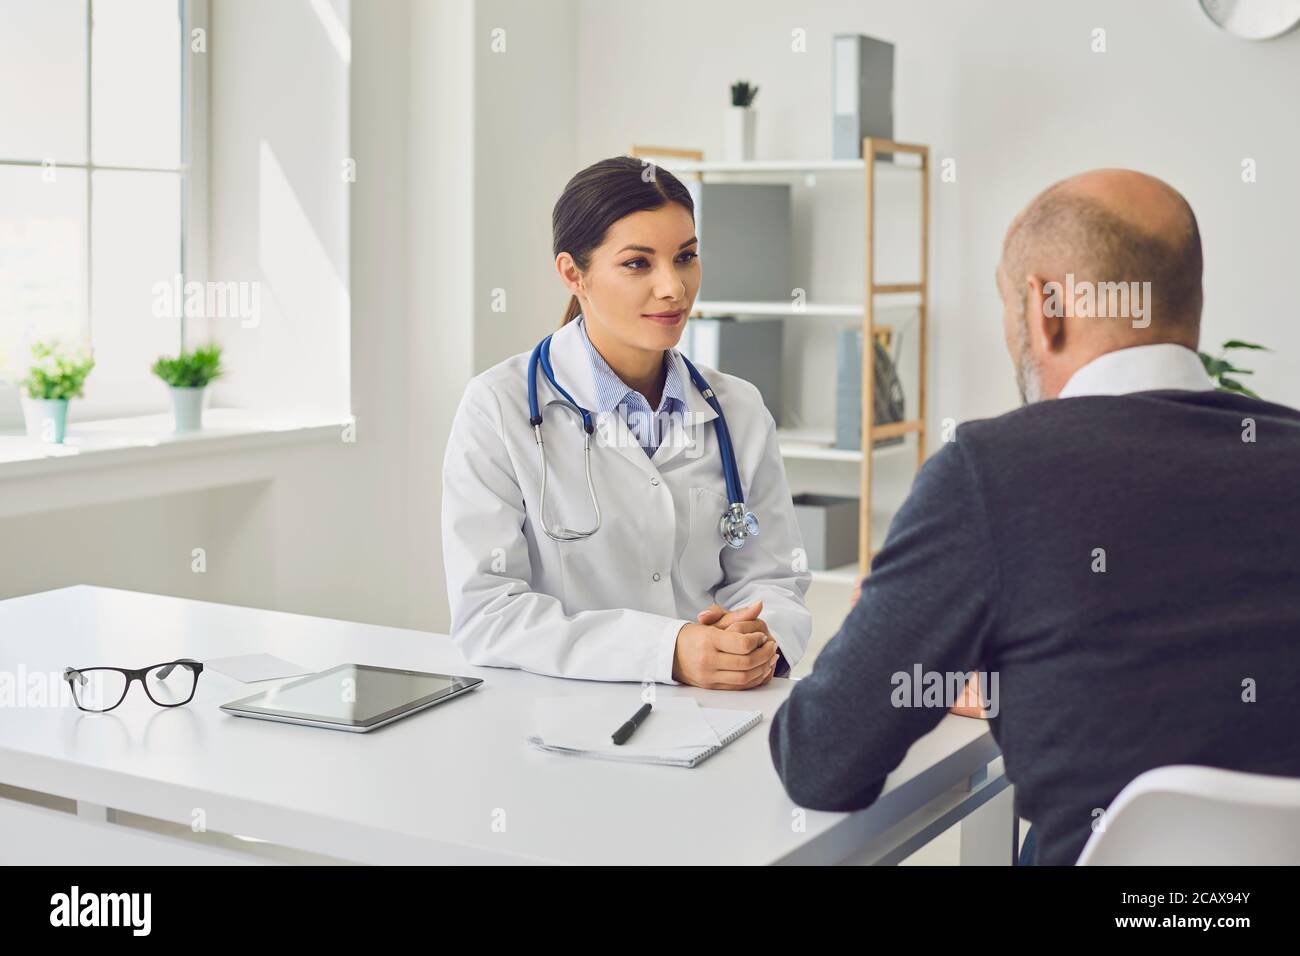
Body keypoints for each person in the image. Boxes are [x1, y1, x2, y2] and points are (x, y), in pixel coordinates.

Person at [769, 168, 1300, 865]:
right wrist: (1018, 674)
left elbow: (821, 759)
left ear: (1046, 306)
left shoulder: (990, 473)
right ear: (1189, 304)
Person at [442, 156, 811, 689]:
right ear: (574, 273)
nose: (673, 288)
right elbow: (488, 613)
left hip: (719, 709)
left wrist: (755, 639)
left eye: (686, 257)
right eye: (639, 263)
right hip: (561, 715)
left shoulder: (738, 410)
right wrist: (668, 651)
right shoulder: (497, 408)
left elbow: (773, 576)